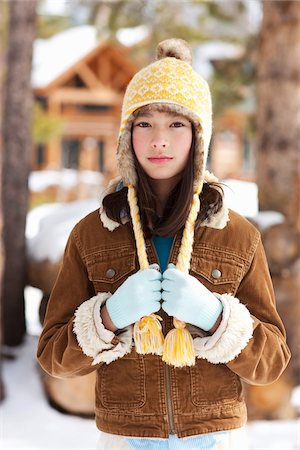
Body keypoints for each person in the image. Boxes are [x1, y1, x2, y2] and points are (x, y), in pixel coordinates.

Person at [37, 38, 290, 450]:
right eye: (144, 123)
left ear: (198, 137)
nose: (159, 140)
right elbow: (53, 356)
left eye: (176, 124)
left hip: (214, 437)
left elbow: (272, 362)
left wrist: (214, 317)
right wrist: (109, 316)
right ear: (126, 135)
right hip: (124, 438)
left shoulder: (238, 234)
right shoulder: (92, 232)